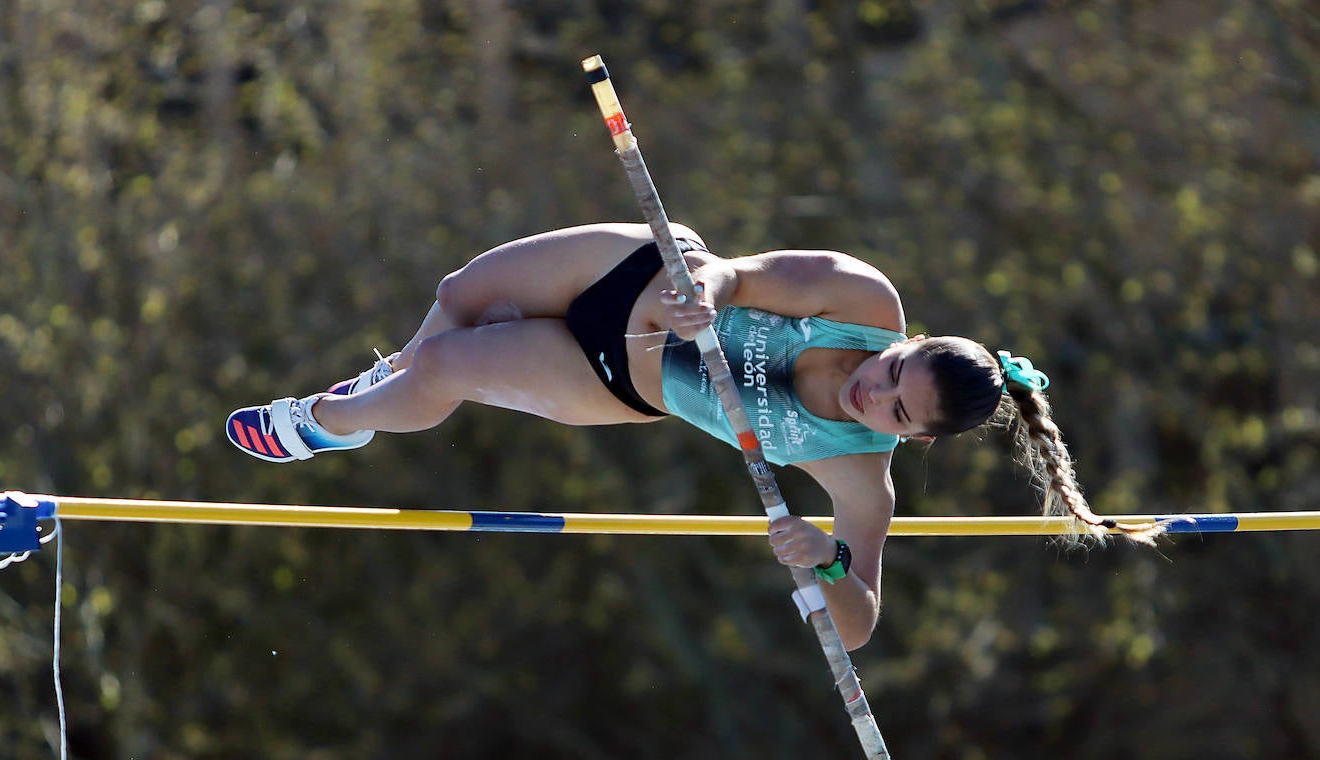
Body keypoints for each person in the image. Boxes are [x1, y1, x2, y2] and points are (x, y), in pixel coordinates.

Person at [226, 222, 1163, 650]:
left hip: (616, 382)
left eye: (893, 410)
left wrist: (826, 560)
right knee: (461, 297)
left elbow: (862, 622)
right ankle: (375, 390)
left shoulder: (856, 477)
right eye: (889, 372)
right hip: (640, 268)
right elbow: (747, 275)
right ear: (903, 343)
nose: (872, 391)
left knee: (442, 373)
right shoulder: (866, 301)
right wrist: (704, 295)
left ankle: (327, 424)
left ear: (913, 440)